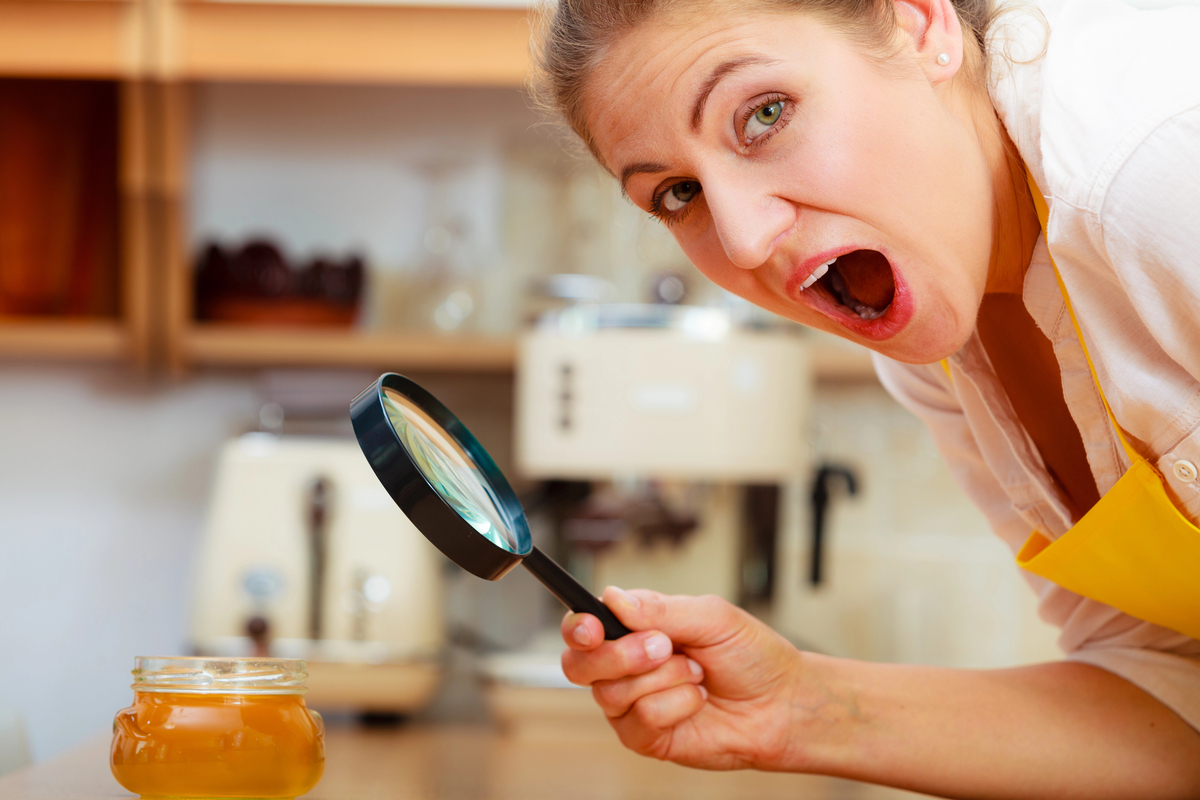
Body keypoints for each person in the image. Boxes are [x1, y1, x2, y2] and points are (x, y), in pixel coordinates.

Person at [532, 0, 1200, 796]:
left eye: (765, 116)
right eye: (679, 194)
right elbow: (1174, 696)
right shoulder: (931, 335)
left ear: (921, 25)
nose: (745, 239)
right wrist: (799, 709)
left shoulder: (1157, 168)